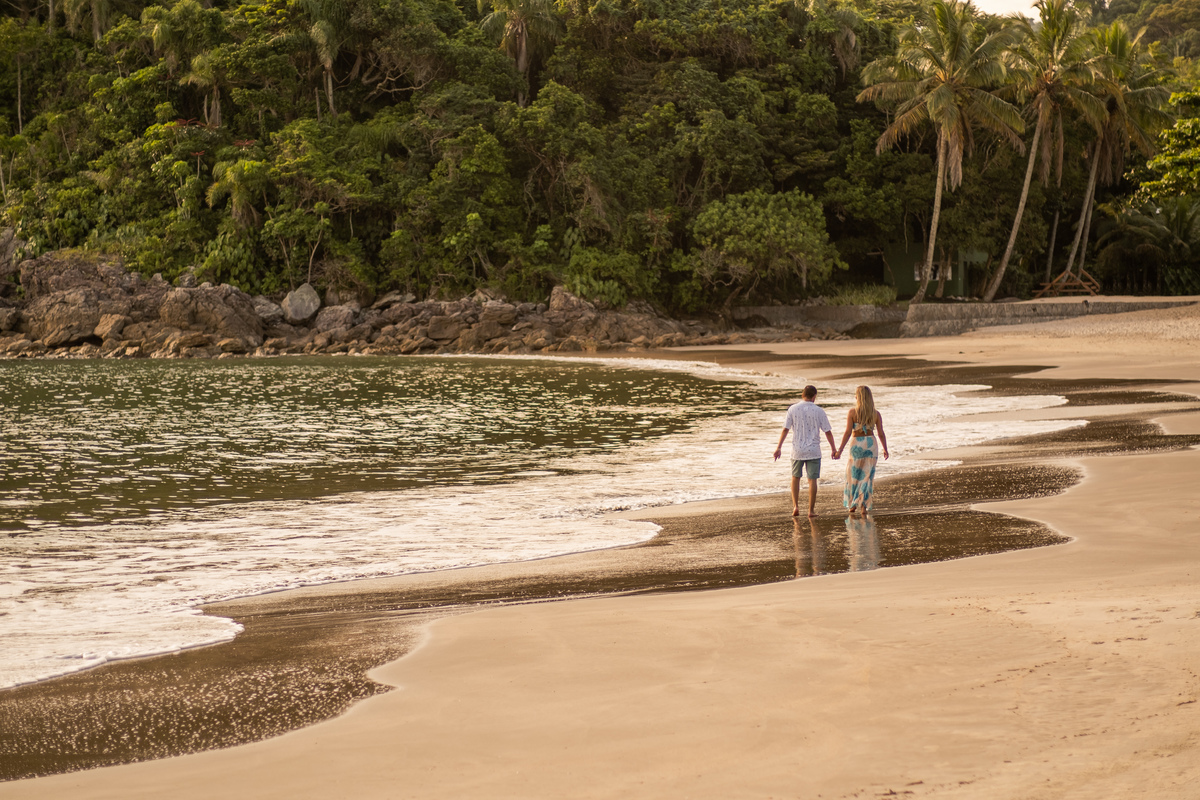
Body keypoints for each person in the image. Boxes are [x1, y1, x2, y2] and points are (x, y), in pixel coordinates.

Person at [773, 385, 838, 518]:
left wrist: (778, 447)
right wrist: (833, 449)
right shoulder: (819, 411)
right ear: (814, 396)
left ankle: (796, 506)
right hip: (813, 450)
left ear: (803, 395)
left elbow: (785, 429)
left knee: (795, 478)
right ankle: (811, 510)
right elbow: (828, 431)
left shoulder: (793, 409)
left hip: (797, 450)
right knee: (812, 480)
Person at [834, 385, 889, 516]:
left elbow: (847, 432)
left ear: (859, 397)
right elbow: (881, 433)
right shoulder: (875, 414)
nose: (854, 396)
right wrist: (885, 449)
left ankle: (853, 504)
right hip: (871, 445)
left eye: (856, 395)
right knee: (867, 476)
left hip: (856, 445)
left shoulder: (852, 412)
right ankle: (863, 506)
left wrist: (839, 450)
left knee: (854, 475)